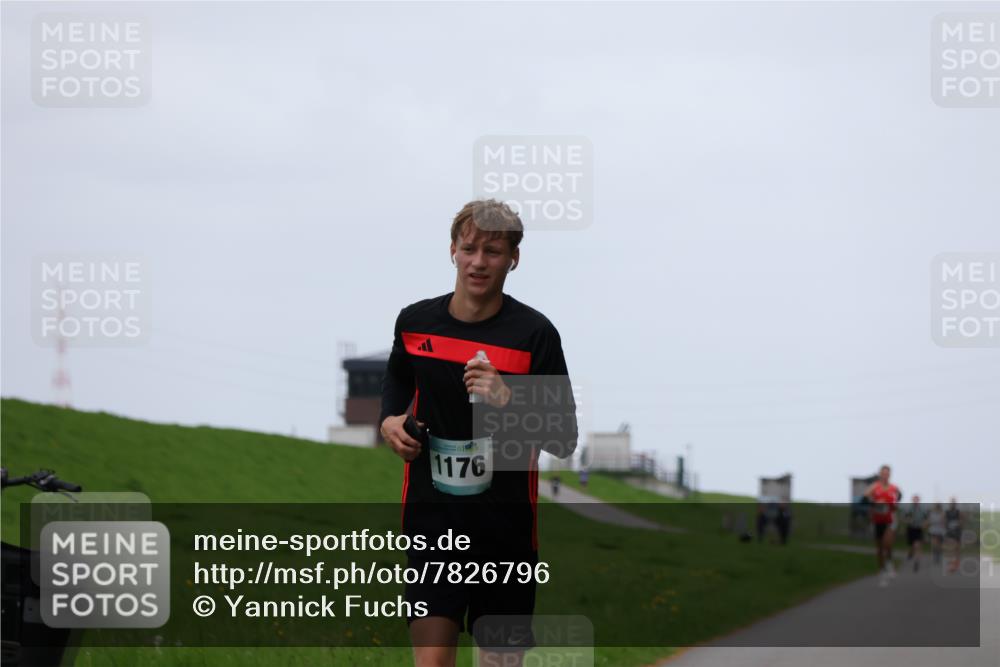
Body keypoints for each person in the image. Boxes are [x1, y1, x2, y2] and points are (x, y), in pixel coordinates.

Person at [379, 199, 577, 667]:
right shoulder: (415, 323)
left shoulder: (535, 335)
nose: (479, 262)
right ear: (452, 250)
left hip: (505, 537)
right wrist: (389, 419)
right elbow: (398, 377)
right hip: (433, 531)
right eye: (469, 249)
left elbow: (564, 436)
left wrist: (509, 398)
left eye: (492, 251)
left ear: (514, 259)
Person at [864, 465, 901, 586]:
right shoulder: (875, 486)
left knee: (887, 543)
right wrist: (875, 502)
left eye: (887, 473)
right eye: (883, 473)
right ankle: (882, 571)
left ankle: (890, 563)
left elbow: (897, 501)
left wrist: (892, 505)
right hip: (877, 520)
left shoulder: (894, 488)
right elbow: (865, 497)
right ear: (880, 474)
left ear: (889, 475)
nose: (885, 475)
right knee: (880, 549)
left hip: (890, 520)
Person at [902, 494, 928, 572]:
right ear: (912, 500)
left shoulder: (922, 509)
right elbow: (903, 517)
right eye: (914, 499)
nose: (916, 501)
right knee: (912, 546)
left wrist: (925, 524)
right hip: (910, 529)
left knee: (917, 546)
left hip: (919, 529)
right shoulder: (908, 508)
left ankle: (916, 563)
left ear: (919, 500)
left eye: (917, 499)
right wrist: (907, 520)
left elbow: (927, 518)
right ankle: (910, 553)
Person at [945, 497, 963, 573]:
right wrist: (947, 526)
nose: (953, 504)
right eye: (951, 503)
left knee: (957, 549)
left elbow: (962, 520)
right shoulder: (947, 512)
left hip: (957, 531)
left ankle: (956, 563)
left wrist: (958, 524)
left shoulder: (958, 512)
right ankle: (951, 565)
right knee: (951, 548)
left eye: (954, 503)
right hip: (949, 532)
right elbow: (944, 521)